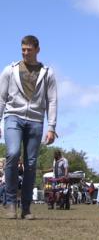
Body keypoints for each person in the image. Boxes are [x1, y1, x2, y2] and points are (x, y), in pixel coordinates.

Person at [0, 35, 58, 220]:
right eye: (23, 49)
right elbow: (1, 98)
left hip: (35, 120)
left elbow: (52, 101)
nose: (25, 53)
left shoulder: (47, 73)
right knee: (13, 154)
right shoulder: (10, 70)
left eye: (29, 50)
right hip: (13, 117)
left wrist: (51, 127)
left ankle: (26, 208)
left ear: (37, 50)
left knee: (31, 164)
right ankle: (10, 204)